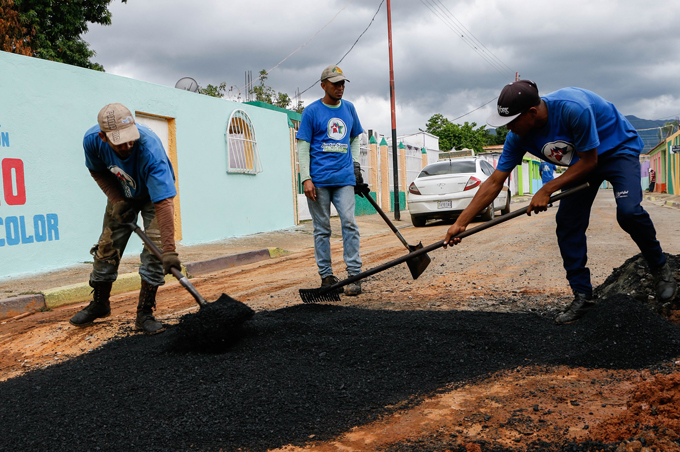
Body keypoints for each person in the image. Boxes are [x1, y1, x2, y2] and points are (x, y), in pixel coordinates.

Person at [443, 80, 677, 323]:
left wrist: (548, 188)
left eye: (512, 121)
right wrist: (462, 222)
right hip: (582, 162)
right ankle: (583, 296)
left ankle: (660, 268)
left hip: (616, 150)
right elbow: (494, 182)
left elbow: (590, 161)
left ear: (532, 112)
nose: (509, 129)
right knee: (567, 222)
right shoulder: (517, 137)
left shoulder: (573, 109)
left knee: (628, 213)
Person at [69, 103, 181, 334]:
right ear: (103, 137)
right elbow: (97, 171)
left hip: (154, 197)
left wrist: (168, 251)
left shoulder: (150, 150)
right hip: (123, 191)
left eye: (131, 139)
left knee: (155, 250)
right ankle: (100, 304)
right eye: (121, 142)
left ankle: (145, 314)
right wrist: (117, 200)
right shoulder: (92, 141)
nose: (128, 145)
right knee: (107, 247)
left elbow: (164, 203)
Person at [296, 65, 365, 295]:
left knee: (349, 224)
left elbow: (355, 137)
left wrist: (355, 165)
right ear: (324, 85)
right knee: (322, 229)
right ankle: (326, 276)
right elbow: (303, 147)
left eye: (343, 83)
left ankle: (355, 275)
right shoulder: (312, 112)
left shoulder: (349, 109)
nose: (340, 87)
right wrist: (305, 178)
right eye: (335, 84)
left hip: (344, 178)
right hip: (319, 181)